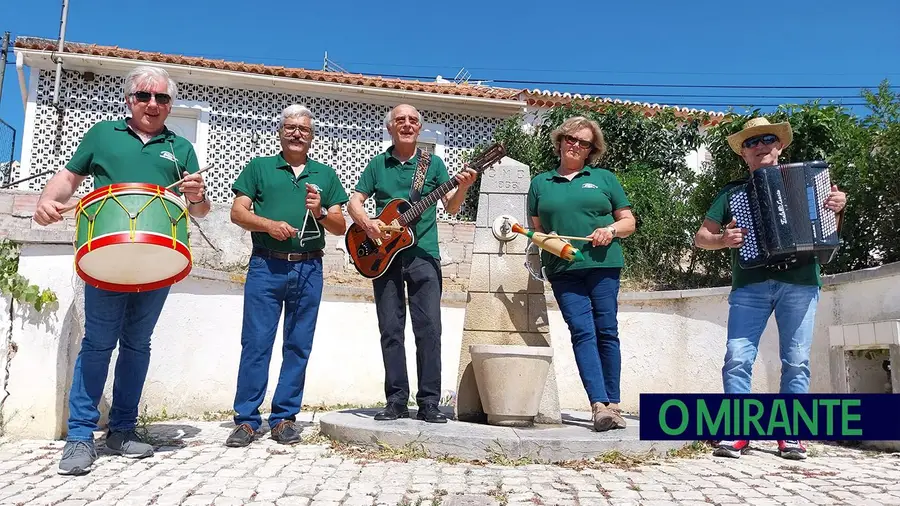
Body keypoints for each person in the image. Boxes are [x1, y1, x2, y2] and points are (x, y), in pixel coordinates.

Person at [32, 65, 210, 475]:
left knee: (137, 345)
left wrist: (199, 197)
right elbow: (68, 177)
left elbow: (199, 209)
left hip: (156, 258)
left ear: (170, 105)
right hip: (106, 255)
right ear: (129, 99)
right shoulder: (101, 135)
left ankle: (123, 430)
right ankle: (80, 436)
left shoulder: (181, 147)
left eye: (162, 98)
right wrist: (47, 201)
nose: (153, 104)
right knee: (98, 343)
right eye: (145, 96)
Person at [694, 117, 847, 460]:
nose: (760, 145)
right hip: (750, 286)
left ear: (779, 147)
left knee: (796, 360)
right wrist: (723, 239)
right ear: (744, 155)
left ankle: (789, 433)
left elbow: (825, 233)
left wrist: (838, 209)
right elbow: (702, 237)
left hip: (801, 282)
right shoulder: (732, 193)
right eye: (751, 142)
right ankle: (738, 431)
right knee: (737, 357)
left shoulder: (813, 182)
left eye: (767, 139)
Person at [225, 105, 348, 447]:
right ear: (280, 131)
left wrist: (320, 211)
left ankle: (283, 418)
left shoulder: (325, 175)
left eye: (303, 129)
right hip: (267, 265)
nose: (297, 133)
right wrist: (268, 225)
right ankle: (247, 420)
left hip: (309, 267)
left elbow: (339, 225)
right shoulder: (259, 168)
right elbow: (238, 212)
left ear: (311, 136)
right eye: (291, 127)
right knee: (256, 342)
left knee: (298, 345)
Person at [347, 104, 477, 423]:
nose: (407, 124)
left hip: (424, 256)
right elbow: (354, 201)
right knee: (391, 329)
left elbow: (453, 207)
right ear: (390, 127)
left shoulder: (433, 165)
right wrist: (367, 224)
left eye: (413, 121)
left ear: (420, 129)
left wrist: (464, 186)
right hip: (384, 257)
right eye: (400, 120)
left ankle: (430, 402)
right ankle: (396, 400)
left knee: (429, 329)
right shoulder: (378, 164)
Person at [526, 116, 636, 432]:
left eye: (583, 142)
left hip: (603, 266)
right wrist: (550, 239)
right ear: (559, 142)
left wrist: (610, 230)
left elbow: (628, 222)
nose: (576, 145)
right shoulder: (540, 183)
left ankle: (613, 403)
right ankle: (599, 406)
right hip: (563, 269)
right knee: (581, 331)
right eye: (571, 139)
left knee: (606, 330)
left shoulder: (604, 178)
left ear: (591, 150)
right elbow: (537, 229)